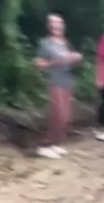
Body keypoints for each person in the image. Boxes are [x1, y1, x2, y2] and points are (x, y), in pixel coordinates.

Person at [34, 14, 82, 159]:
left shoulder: (65, 43)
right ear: (49, 26)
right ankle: (44, 146)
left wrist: (76, 58)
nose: (56, 25)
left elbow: (71, 59)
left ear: (63, 25)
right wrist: (54, 62)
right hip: (54, 82)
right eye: (53, 23)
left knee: (66, 117)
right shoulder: (45, 43)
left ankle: (56, 143)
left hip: (66, 82)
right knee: (58, 115)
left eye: (59, 23)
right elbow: (38, 64)